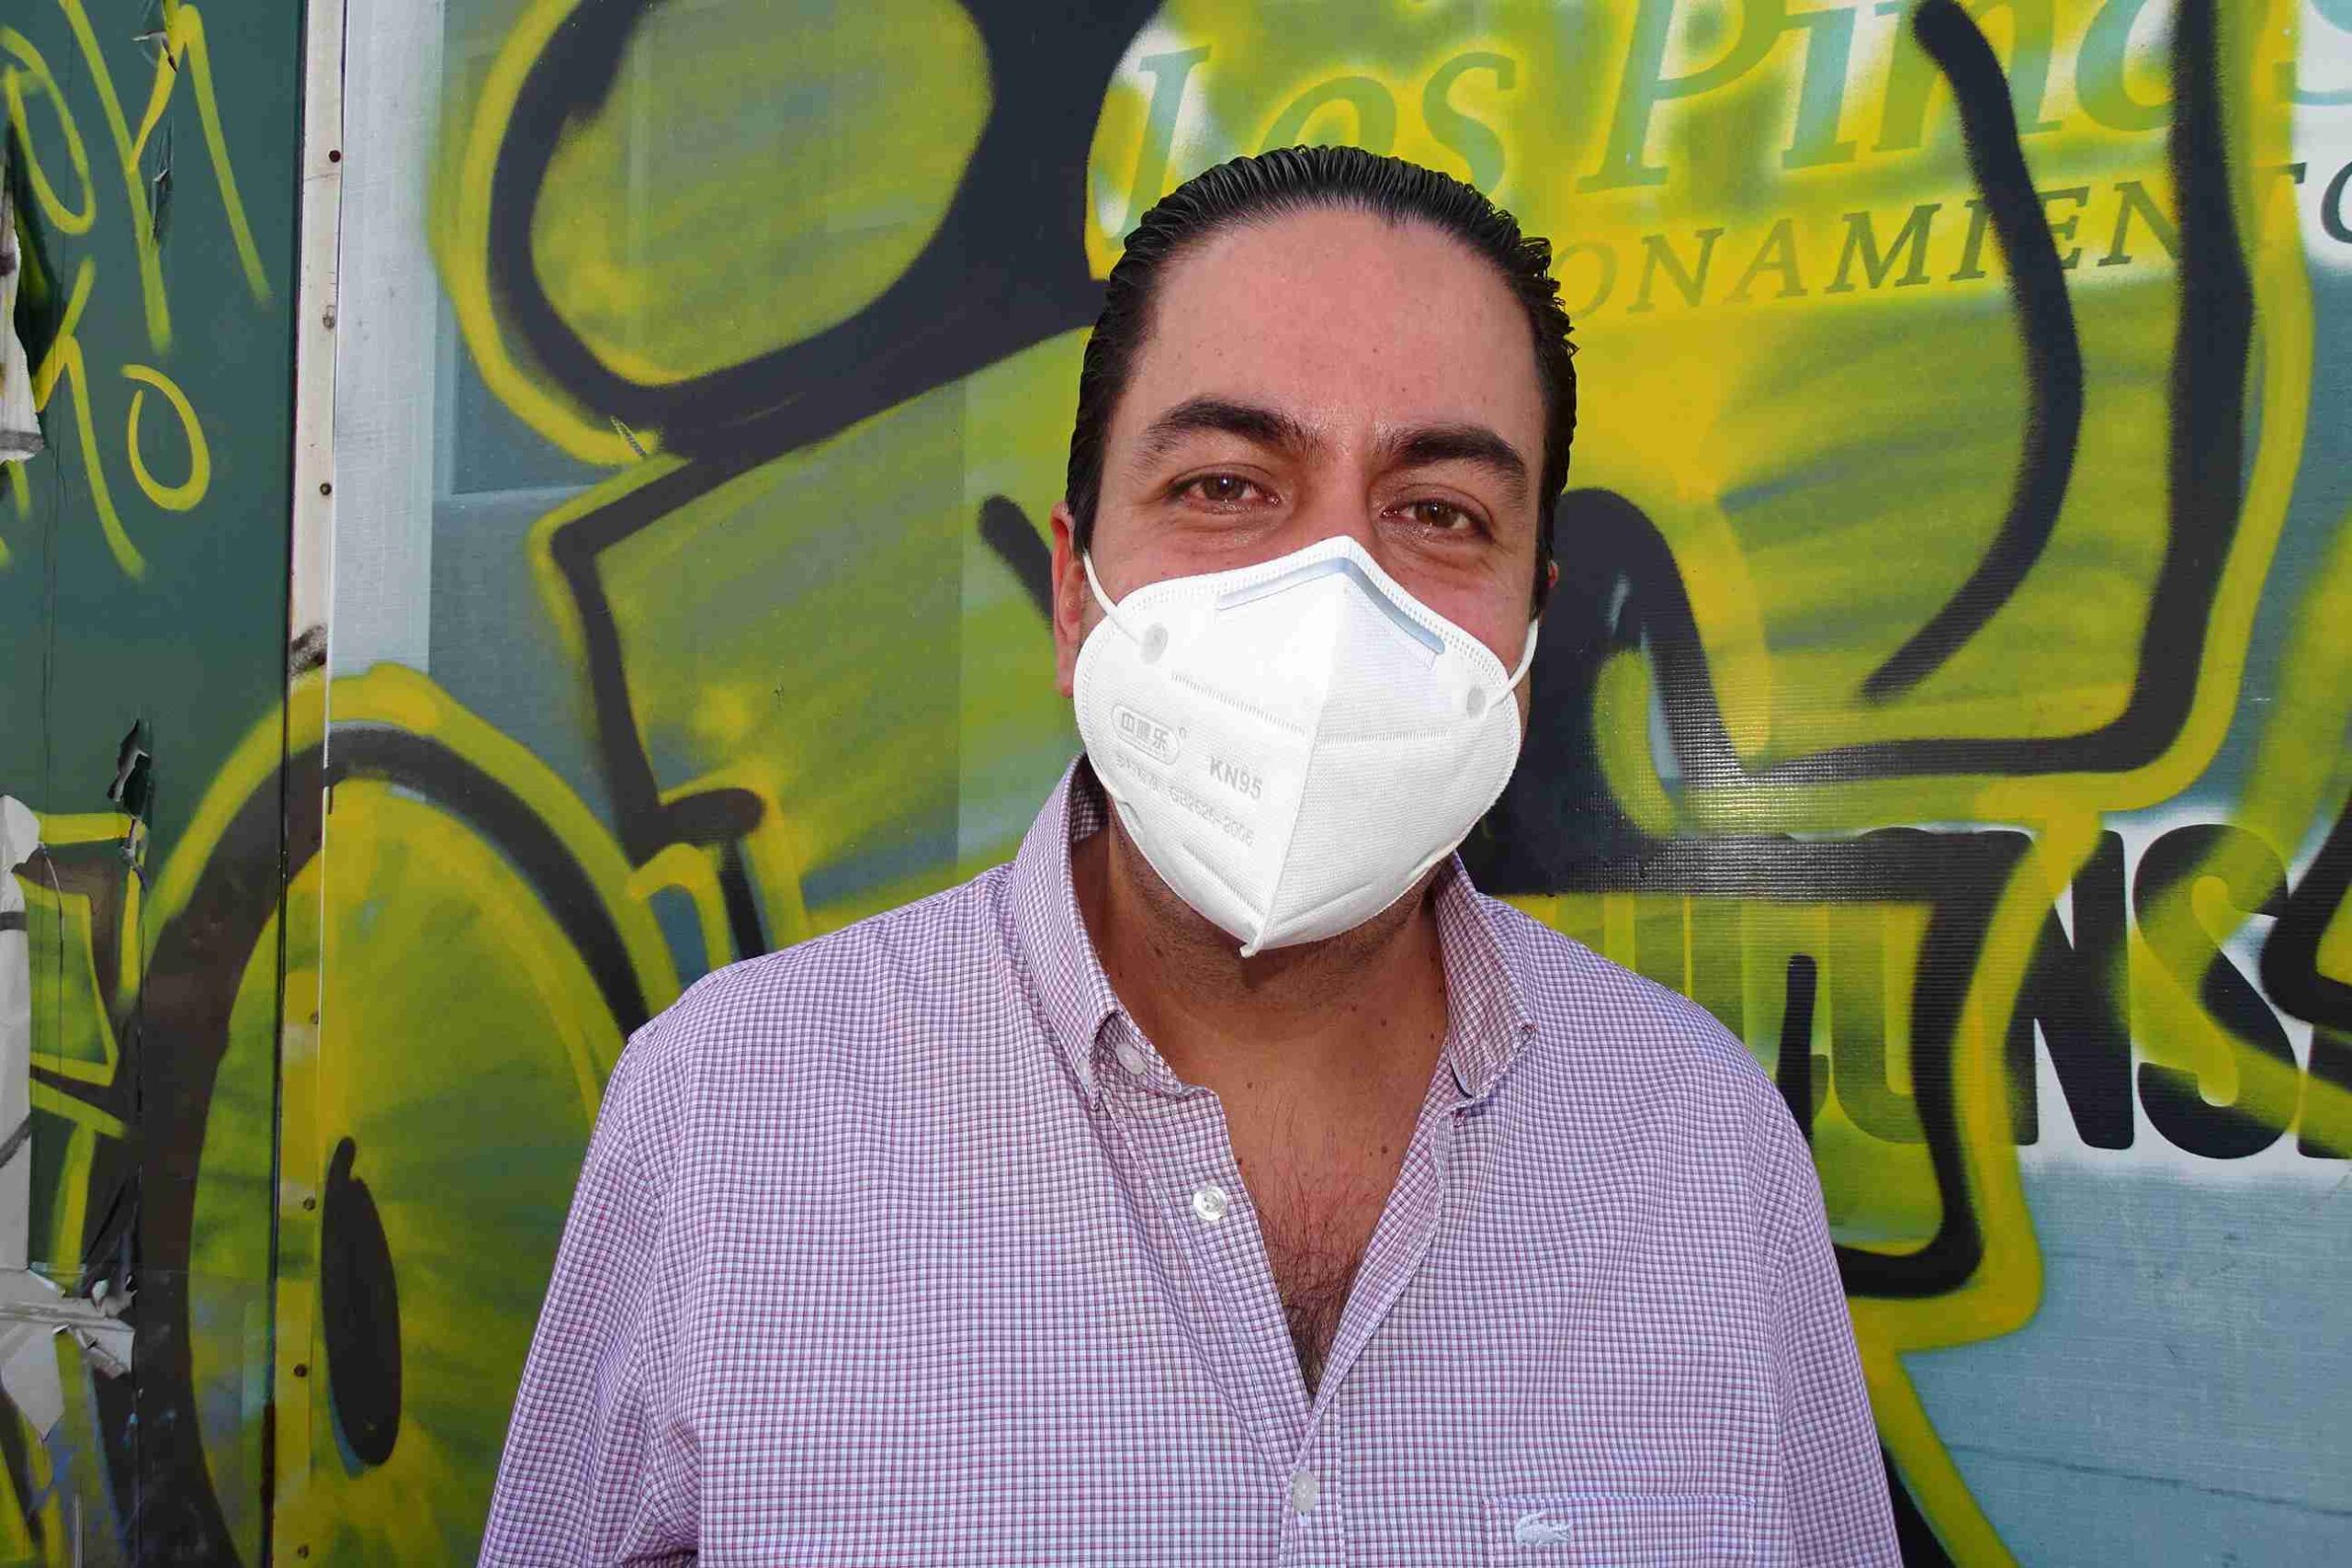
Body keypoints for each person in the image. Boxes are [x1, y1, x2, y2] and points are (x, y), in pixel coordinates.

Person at [481, 146, 1900, 1565]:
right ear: (1072, 596)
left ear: (1528, 641)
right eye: (1225, 485)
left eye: (1438, 512)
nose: (1329, 604)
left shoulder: (1706, 1156)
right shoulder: (726, 1119)